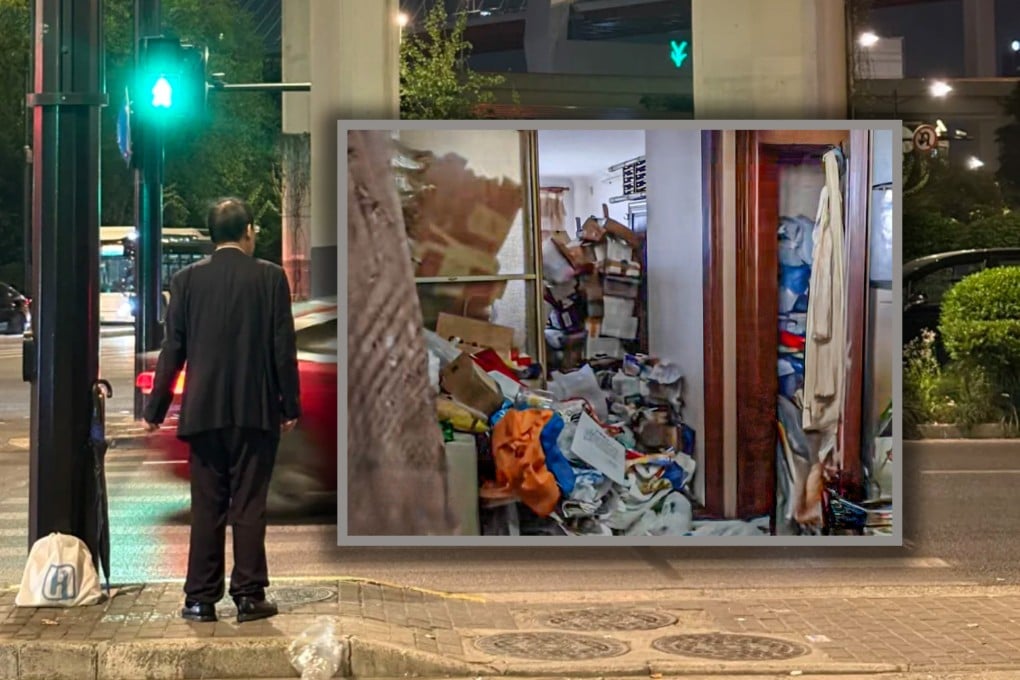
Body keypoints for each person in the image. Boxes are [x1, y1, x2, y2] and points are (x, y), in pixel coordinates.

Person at [141, 197, 301, 624]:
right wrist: (290, 404)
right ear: (248, 230)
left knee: (207, 506)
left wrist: (155, 408)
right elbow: (283, 349)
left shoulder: (187, 281)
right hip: (255, 410)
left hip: (204, 411)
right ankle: (249, 595)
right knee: (249, 505)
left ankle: (200, 598)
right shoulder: (270, 279)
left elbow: (173, 349)